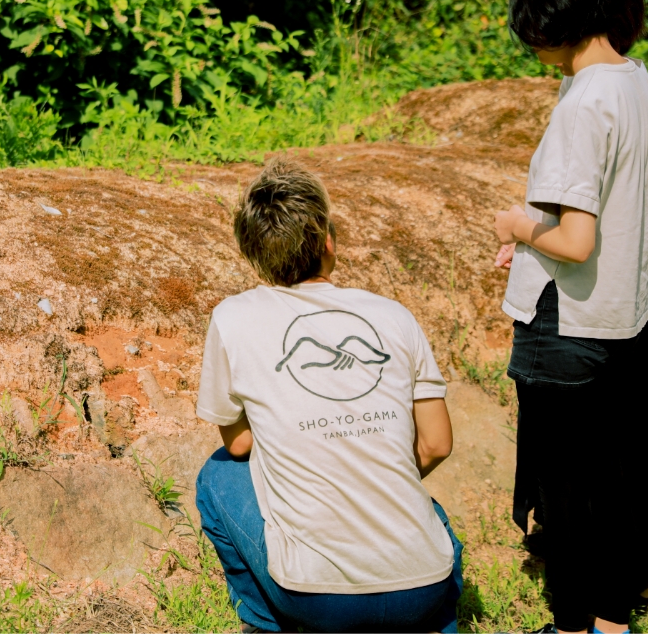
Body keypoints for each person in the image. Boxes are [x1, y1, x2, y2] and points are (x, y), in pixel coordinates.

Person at [493, 0, 648, 634]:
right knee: (614, 473)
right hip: (619, 311)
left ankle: (575, 624)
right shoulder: (634, 82)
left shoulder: (583, 105)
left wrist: (519, 225)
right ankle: (613, 617)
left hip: (567, 315)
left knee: (569, 482)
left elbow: (575, 240)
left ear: (552, 18)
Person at [193, 160, 463, 633]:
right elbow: (437, 443)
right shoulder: (393, 315)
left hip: (318, 600)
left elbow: (237, 445)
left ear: (252, 253)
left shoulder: (233, 317)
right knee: (421, 510)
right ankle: (436, 622)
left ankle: (265, 623)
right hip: (424, 587)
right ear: (328, 241)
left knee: (216, 476)